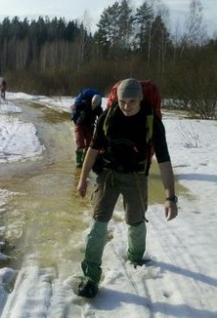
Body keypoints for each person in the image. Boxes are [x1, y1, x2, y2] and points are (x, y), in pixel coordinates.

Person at [75, 78, 178, 298]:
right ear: (116, 99)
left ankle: (136, 258)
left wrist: (171, 197)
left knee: (136, 222)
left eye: (132, 101)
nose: (126, 106)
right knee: (98, 224)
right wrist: (83, 179)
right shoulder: (108, 116)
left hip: (135, 178)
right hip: (108, 175)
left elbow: (165, 161)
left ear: (141, 98)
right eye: (122, 101)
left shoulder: (152, 122)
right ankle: (90, 276)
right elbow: (92, 150)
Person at [70, 89, 103, 167]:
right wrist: (74, 107)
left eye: (96, 103)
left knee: (89, 146)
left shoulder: (99, 110)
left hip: (90, 128)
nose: (94, 104)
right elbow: (76, 106)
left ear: (99, 104)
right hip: (80, 126)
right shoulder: (85, 104)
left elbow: (101, 118)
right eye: (93, 102)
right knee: (80, 144)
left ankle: (85, 160)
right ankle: (78, 161)